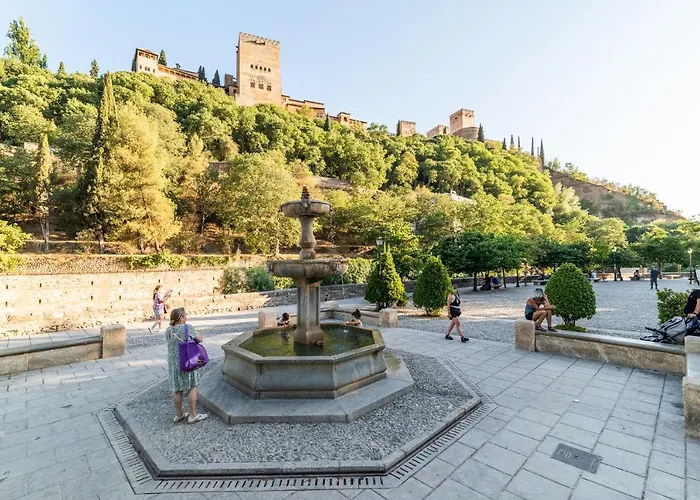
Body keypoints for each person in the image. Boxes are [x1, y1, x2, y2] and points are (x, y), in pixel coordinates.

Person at [166, 308, 208, 424]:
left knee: (177, 390)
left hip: (173, 364)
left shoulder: (168, 330)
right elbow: (200, 339)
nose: (186, 317)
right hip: (187, 361)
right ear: (181, 317)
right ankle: (193, 415)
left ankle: (179, 415)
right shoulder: (187, 327)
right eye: (185, 315)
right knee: (192, 386)